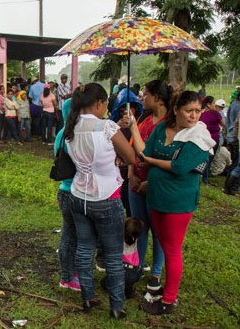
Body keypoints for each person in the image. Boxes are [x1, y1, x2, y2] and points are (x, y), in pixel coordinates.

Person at [129, 90, 215, 315]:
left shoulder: (199, 136)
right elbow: (145, 150)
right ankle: (165, 289)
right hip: (155, 196)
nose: (194, 116)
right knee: (164, 243)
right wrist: (134, 128)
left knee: (172, 249)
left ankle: (168, 300)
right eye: (189, 111)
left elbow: (178, 167)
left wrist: (150, 161)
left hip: (179, 200)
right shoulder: (161, 129)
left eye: (198, 111)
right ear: (176, 110)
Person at [65, 83, 135, 319]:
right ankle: (117, 306)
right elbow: (131, 157)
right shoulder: (106, 126)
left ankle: (88, 297)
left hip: (78, 196)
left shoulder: (70, 127)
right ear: (99, 103)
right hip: (106, 197)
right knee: (114, 255)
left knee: (84, 249)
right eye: (105, 104)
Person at [123, 79, 170, 292]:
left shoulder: (170, 125)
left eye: (146, 94)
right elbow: (134, 147)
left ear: (157, 98)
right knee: (139, 227)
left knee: (159, 230)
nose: (142, 98)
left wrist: (150, 182)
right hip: (136, 182)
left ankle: (157, 272)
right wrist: (131, 173)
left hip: (156, 185)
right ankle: (137, 266)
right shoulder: (144, 119)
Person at [54, 96, 79, 292]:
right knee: (70, 237)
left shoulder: (62, 133)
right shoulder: (72, 134)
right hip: (72, 191)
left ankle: (72, 272)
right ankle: (67, 277)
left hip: (65, 189)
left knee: (74, 236)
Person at [102, 217, 144, 299]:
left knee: (105, 283)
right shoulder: (135, 238)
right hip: (136, 271)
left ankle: (117, 290)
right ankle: (129, 291)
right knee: (128, 283)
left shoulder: (119, 240)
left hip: (124, 271)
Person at [199, 96, 224, 183]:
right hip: (213, 139)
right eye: (213, 103)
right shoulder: (214, 113)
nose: (214, 105)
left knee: (202, 157)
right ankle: (205, 178)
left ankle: (200, 174)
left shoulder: (200, 112)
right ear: (208, 104)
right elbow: (223, 123)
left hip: (202, 139)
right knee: (209, 158)